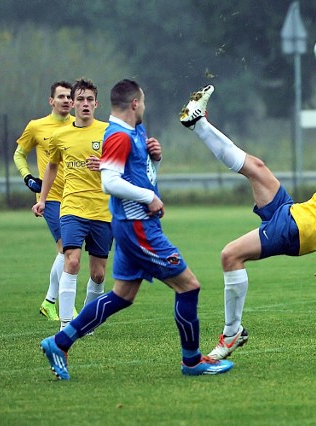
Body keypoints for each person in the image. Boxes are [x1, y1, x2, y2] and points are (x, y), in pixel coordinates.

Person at [179, 85, 316, 360]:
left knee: (230, 255)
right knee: (255, 167)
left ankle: (232, 333)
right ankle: (198, 123)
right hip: (291, 211)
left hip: (295, 229)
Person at [39, 79, 233, 380]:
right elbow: (110, 181)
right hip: (137, 227)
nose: (143, 106)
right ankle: (192, 362)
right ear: (134, 104)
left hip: (134, 226)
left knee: (122, 295)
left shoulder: (135, 132)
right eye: (141, 102)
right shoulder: (117, 135)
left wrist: (156, 158)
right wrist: (150, 197)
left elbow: (140, 174)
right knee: (189, 286)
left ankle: (59, 342)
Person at [32, 78, 112, 331]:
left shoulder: (109, 132)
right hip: (72, 208)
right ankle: (67, 325)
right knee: (72, 260)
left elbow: (126, 166)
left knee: (98, 274)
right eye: (80, 99)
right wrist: (43, 200)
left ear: (96, 104)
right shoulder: (60, 135)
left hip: (102, 210)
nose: (85, 104)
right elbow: (52, 166)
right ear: (74, 103)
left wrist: (105, 165)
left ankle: (87, 321)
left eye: (89, 99)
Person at [14, 81, 73, 321]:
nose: (67, 100)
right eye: (61, 96)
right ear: (51, 101)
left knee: (69, 252)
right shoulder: (37, 127)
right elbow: (19, 153)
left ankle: (49, 302)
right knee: (67, 249)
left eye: (70, 96)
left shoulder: (78, 126)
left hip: (75, 197)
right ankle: (57, 304)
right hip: (49, 199)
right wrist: (27, 177)